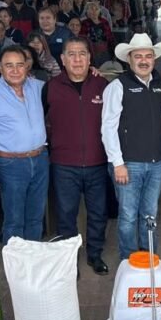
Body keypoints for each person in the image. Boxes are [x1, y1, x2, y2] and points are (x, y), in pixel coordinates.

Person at [101, 33, 161, 260]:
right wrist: (118, 163)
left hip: (156, 163)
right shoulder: (117, 87)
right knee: (129, 215)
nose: (143, 60)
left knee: (149, 214)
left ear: (154, 59)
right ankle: (128, 260)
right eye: (138, 56)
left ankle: (149, 256)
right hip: (128, 164)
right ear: (129, 60)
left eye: (148, 56)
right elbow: (108, 128)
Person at [43, 38, 110, 274]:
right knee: (66, 215)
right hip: (63, 164)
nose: (78, 59)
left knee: (98, 212)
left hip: (98, 162)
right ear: (62, 59)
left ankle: (95, 254)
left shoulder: (103, 86)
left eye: (82, 53)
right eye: (71, 54)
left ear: (90, 58)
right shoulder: (50, 87)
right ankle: (69, 261)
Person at [0, 47, 48, 243]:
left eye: (19, 65)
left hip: (40, 160)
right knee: (14, 220)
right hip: (11, 165)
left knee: (35, 217)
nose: (15, 70)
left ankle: (31, 261)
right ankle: (15, 268)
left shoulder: (39, 87)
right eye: (9, 65)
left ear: (27, 66)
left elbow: (66, 86)